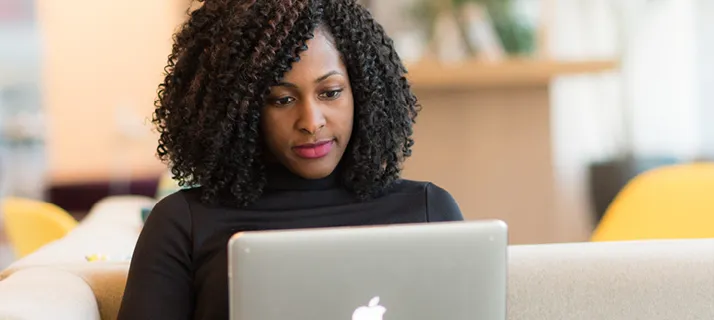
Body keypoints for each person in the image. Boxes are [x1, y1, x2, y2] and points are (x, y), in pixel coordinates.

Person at [117, 0, 464, 319]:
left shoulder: (428, 211)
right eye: (282, 99)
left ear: (363, 91)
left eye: (330, 93)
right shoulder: (182, 225)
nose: (311, 122)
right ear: (241, 110)